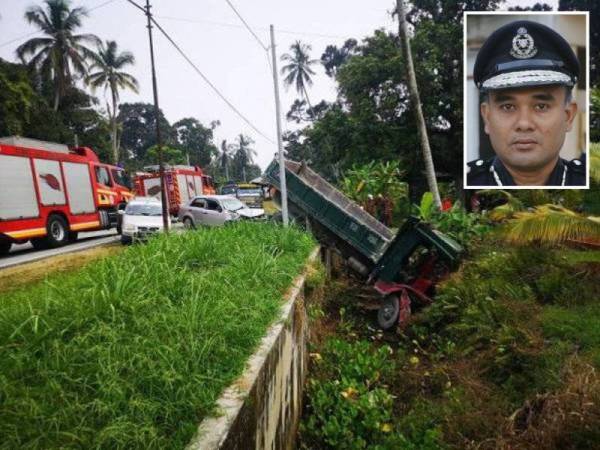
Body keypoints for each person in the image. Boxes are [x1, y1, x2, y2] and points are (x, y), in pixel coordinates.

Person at [467, 20, 586, 187]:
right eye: (508, 107)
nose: (524, 124)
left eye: (541, 106)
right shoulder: (465, 187)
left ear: (568, 116)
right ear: (487, 117)